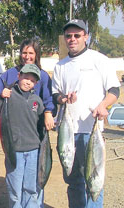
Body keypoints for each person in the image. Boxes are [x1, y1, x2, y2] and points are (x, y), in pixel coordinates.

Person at [52, 19, 120, 207]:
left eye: (77, 35)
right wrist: (63, 99)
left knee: (93, 179)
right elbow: (55, 94)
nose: (72, 39)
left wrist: (103, 105)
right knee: (73, 182)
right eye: (68, 36)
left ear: (86, 37)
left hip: (91, 131)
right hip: (68, 133)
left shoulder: (99, 60)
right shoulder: (60, 66)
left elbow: (114, 89)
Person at [0, 64, 45, 207]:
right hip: (14, 151)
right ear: (18, 76)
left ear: (36, 83)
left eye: (32, 80)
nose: (28, 82)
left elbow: (41, 126)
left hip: (33, 150)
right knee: (15, 187)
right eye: (25, 78)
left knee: (31, 187)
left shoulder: (36, 101)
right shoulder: (9, 95)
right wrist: (1, 98)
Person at [0, 39, 56, 131]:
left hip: (34, 126)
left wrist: (48, 112)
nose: (27, 56)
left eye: (31, 53)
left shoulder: (43, 76)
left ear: (36, 54)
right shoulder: (9, 74)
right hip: (12, 126)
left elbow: (49, 98)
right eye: (24, 53)